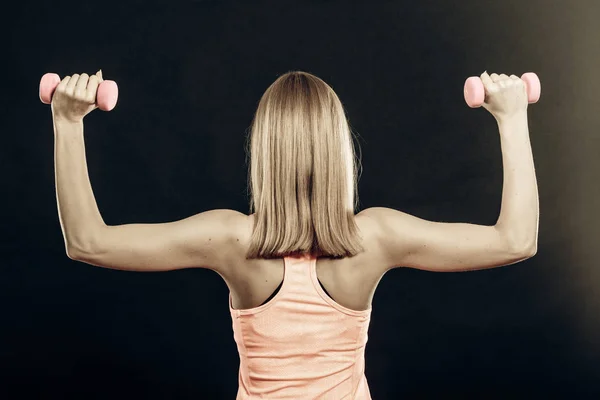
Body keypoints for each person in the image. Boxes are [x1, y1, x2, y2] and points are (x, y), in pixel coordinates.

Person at [51, 70, 539, 399]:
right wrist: (512, 117)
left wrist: (67, 122)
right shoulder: (377, 236)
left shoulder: (230, 240)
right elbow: (516, 240)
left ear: (264, 152)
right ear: (339, 150)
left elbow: (88, 241)